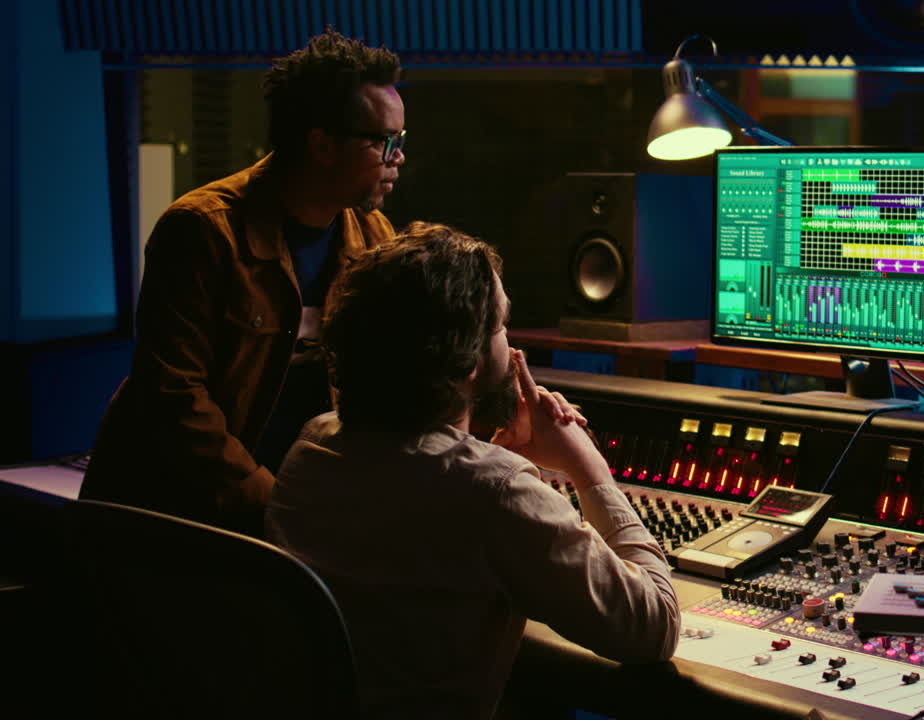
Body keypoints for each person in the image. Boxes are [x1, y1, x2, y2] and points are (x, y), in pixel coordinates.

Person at [265, 222, 680, 719]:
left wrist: (494, 455)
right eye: (501, 326)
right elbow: (653, 626)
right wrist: (589, 471)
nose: (510, 338)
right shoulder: (493, 492)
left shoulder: (312, 444)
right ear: (470, 362)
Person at [81, 29, 405, 535]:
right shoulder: (203, 229)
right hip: (179, 510)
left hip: (294, 501)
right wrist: (269, 502)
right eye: (384, 142)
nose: (398, 157)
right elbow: (174, 395)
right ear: (321, 144)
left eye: (400, 142)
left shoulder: (371, 235)